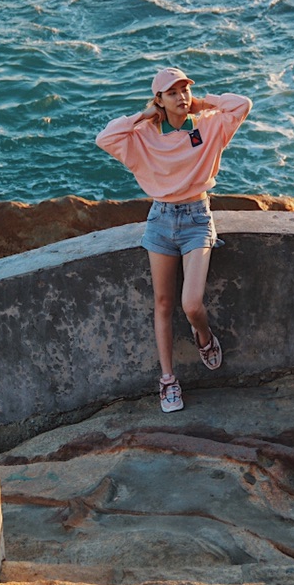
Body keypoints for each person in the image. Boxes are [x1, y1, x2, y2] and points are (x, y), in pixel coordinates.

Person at [95, 67, 253, 412]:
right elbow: (105, 139)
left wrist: (202, 104)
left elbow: (242, 105)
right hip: (161, 220)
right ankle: (168, 380)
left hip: (197, 217)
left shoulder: (209, 125)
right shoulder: (144, 136)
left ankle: (204, 336)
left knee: (191, 304)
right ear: (159, 100)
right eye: (172, 92)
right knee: (164, 304)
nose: (181, 96)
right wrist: (143, 116)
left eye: (184, 90)